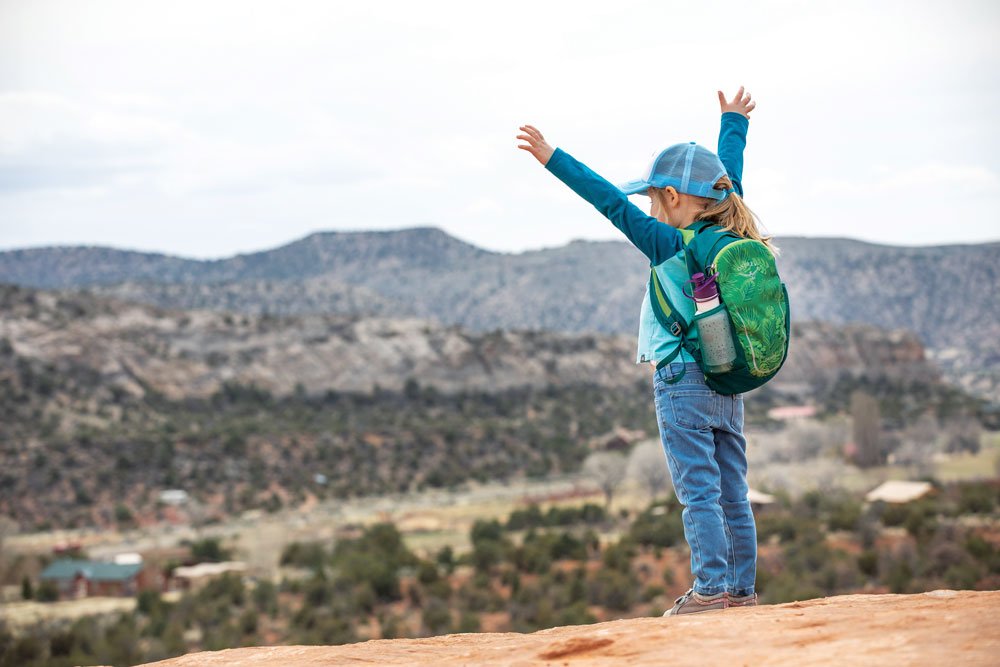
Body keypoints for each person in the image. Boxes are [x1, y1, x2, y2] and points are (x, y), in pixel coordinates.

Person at [516, 88, 768, 615]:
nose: (648, 207)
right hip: (727, 375)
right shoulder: (729, 223)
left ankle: (710, 590)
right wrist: (732, 123)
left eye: (653, 197)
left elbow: (608, 200)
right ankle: (741, 592)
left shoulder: (667, 242)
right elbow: (730, 174)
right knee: (732, 491)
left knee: (698, 491)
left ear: (674, 198)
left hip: (681, 379)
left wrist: (551, 158)